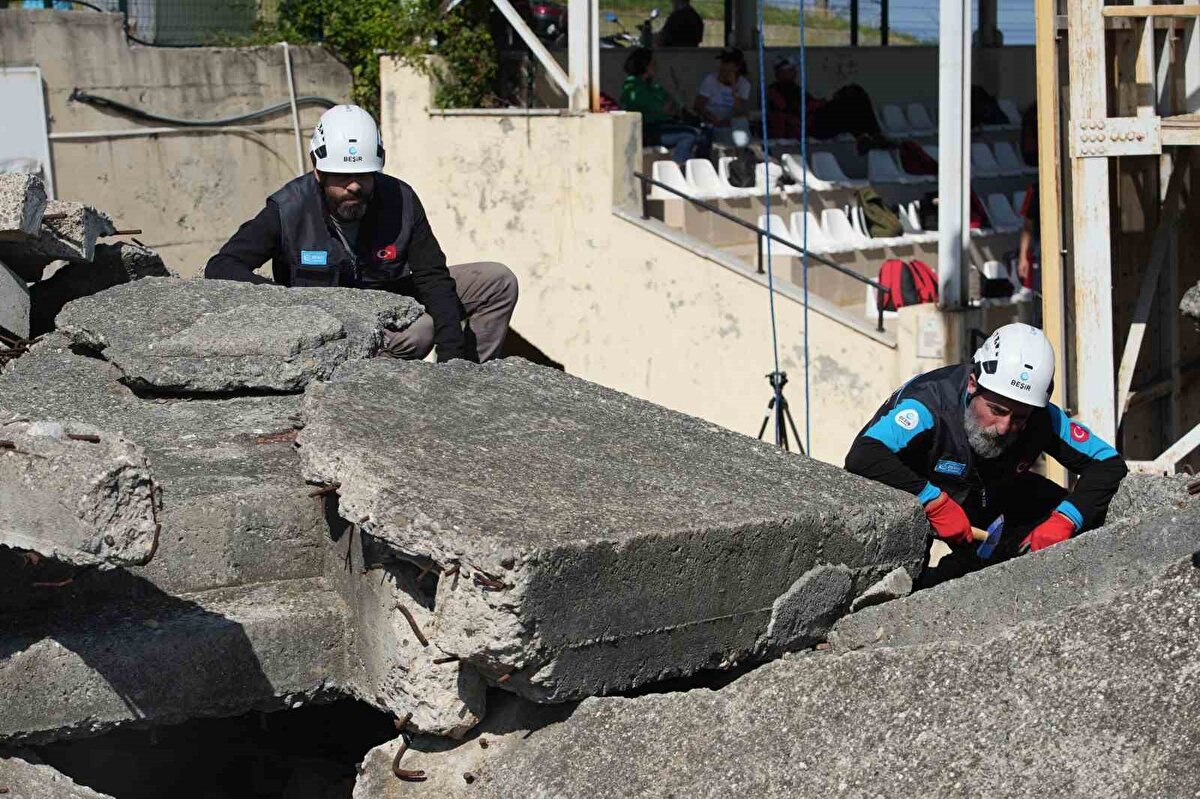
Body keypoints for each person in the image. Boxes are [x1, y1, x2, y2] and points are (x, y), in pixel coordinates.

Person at [204, 105, 518, 363]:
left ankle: (474, 378)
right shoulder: (288, 210)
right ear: (319, 171)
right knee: (420, 335)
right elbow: (223, 265)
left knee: (497, 281)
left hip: (393, 300)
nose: (354, 185)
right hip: (327, 325)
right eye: (343, 175)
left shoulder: (401, 200)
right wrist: (285, 302)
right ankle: (375, 382)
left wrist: (454, 363)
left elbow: (432, 277)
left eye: (363, 174)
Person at [844, 323, 1127, 585]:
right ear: (972, 384)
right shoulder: (929, 405)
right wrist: (932, 501)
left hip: (987, 492)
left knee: (1083, 510)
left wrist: (1065, 519)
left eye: (1019, 417)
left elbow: (1108, 464)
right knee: (907, 580)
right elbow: (864, 454)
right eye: (997, 411)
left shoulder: (1042, 417)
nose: (1005, 427)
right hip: (915, 491)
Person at [620, 48, 710, 164]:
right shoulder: (633, 87)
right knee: (688, 136)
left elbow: (673, 105)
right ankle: (678, 172)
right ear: (645, 66)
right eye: (653, 63)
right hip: (646, 130)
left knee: (704, 132)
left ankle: (700, 169)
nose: (656, 66)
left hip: (662, 124)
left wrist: (672, 108)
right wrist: (668, 109)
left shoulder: (653, 85)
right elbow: (664, 109)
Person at [694, 47, 751, 146]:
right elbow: (699, 106)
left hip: (731, 119)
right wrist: (715, 120)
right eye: (723, 62)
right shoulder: (710, 79)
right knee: (724, 134)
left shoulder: (744, 84)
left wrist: (734, 87)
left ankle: (741, 150)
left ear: (737, 66)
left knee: (741, 124)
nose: (724, 65)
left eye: (728, 62)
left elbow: (740, 111)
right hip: (712, 118)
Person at [766, 56, 801, 140]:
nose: (786, 73)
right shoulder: (773, 90)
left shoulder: (796, 88)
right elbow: (784, 107)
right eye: (783, 71)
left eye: (791, 70)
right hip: (782, 132)